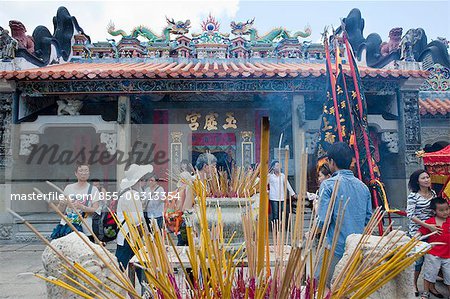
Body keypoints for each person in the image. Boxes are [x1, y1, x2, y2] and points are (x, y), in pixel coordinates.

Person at [317, 142, 372, 286]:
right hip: (356, 249)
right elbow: (368, 219)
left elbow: (323, 220)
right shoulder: (363, 187)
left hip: (335, 249)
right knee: (350, 288)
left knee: (327, 287)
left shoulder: (328, 185)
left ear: (331, 162)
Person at [406, 169, 438, 296]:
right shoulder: (413, 195)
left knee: (434, 261)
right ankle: (413, 284)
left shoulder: (433, 193)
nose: (427, 180)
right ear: (417, 181)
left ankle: (431, 286)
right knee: (418, 261)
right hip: (417, 232)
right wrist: (427, 226)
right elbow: (410, 215)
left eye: (428, 177)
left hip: (433, 231)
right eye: (423, 178)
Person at [115, 164, 152, 270]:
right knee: (128, 266)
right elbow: (136, 220)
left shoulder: (129, 193)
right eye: (143, 179)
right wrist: (146, 235)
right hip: (130, 235)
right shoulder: (132, 195)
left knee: (136, 265)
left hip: (127, 234)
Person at [175, 153, 217, 246]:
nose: (215, 170)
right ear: (205, 166)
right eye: (213, 167)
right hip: (193, 228)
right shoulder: (193, 183)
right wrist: (194, 231)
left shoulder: (208, 184)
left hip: (204, 225)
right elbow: (186, 209)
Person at [56, 162, 100, 242]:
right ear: (76, 173)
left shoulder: (93, 189)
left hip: (86, 229)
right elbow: (60, 211)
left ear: (89, 173)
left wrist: (82, 207)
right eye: (81, 170)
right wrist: (61, 204)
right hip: (67, 227)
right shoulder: (68, 188)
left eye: (86, 170)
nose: (83, 173)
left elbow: (96, 210)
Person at [417, 197, 449, 299]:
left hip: (448, 255)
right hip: (433, 254)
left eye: (447, 209)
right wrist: (414, 238)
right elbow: (420, 232)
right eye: (441, 210)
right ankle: (426, 292)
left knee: (449, 275)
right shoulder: (430, 222)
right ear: (434, 211)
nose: (445, 212)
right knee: (429, 274)